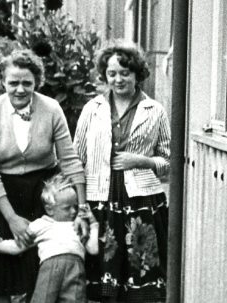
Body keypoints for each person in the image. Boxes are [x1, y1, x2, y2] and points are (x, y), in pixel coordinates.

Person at [0, 49, 86, 302]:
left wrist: (82, 207)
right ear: (2, 81)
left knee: (41, 271)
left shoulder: (51, 108)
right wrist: (12, 218)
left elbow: (69, 160)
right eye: (13, 82)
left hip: (42, 193)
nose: (20, 89)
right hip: (2, 194)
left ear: (37, 82)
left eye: (27, 83)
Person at [73, 41, 170, 302]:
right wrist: (81, 206)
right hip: (100, 201)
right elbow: (76, 159)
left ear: (137, 74)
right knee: (103, 281)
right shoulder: (92, 110)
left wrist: (142, 161)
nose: (118, 79)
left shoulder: (155, 111)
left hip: (142, 203)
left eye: (125, 73)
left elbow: (168, 162)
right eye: (111, 73)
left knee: (142, 281)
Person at [0, 173, 99, 303]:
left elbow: (93, 249)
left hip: (75, 269)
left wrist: (94, 225)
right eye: (67, 208)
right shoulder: (42, 224)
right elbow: (17, 247)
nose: (73, 212)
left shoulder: (78, 226)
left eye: (75, 207)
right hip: (51, 267)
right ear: (50, 209)